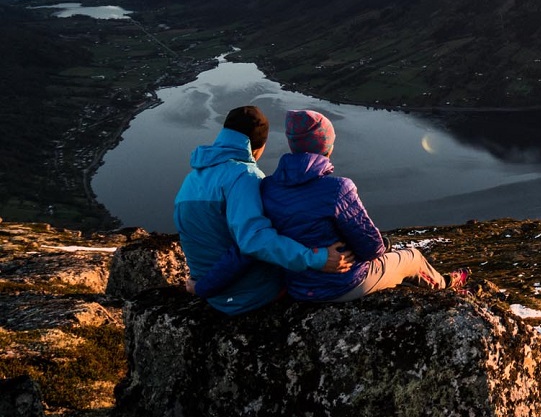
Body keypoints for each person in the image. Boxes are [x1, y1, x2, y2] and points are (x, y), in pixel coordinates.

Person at [262, 109, 466, 301]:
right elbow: (372, 249)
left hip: (297, 287)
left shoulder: (268, 187)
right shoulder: (338, 189)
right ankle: (446, 287)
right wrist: (385, 244)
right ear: (326, 145)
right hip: (343, 284)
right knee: (412, 257)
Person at [174, 104, 353, 314]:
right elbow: (255, 240)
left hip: (215, 293)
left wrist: (202, 285)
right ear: (257, 146)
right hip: (250, 294)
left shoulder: (191, 179)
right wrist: (316, 258)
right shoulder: (245, 176)